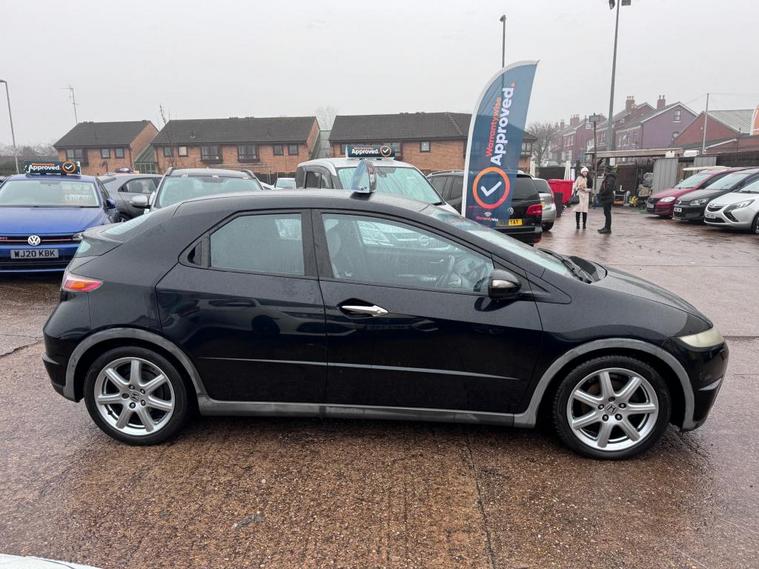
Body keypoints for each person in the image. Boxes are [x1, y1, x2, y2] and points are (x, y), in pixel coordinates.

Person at [598, 165, 617, 234]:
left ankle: (608, 229)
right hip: (606, 198)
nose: (604, 171)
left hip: (607, 198)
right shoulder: (608, 177)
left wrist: (602, 193)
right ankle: (606, 227)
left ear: (607, 170)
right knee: (606, 213)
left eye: (605, 170)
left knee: (607, 214)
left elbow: (608, 188)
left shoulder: (610, 178)